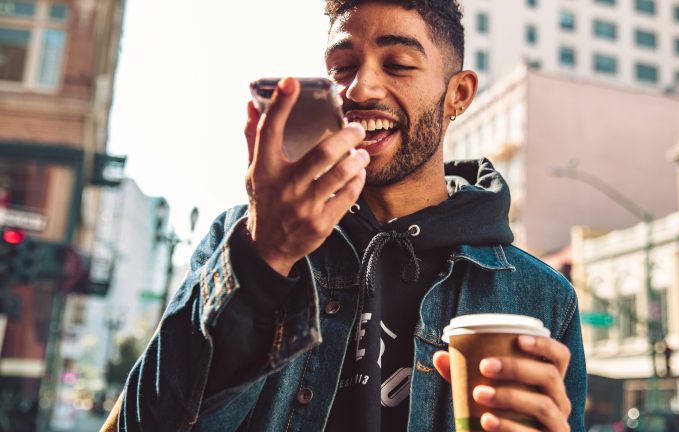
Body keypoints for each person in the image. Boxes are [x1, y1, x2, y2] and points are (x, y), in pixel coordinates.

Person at [104, 0, 586, 430]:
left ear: (457, 95)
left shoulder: (542, 298)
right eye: (342, 66)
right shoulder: (244, 237)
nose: (361, 87)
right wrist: (261, 260)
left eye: (398, 64)